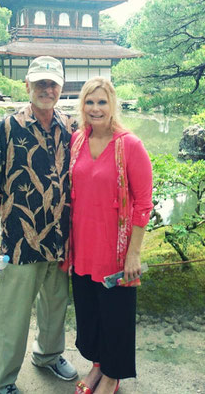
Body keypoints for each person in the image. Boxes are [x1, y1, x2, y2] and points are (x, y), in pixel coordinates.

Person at [0, 56, 78, 394]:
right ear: (27, 86)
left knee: (55, 303)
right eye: (40, 83)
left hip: (60, 236)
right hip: (20, 238)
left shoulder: (70, 126)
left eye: (52, 84)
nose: (46, 89)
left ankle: (48, 355)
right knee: (13, 314)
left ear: (61, 88)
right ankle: (1, 379)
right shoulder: (8, 127)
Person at [70, 77, 153, 394]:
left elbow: (144, 203)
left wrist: (134, 253)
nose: (95, 108)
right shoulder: (77, 141)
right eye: (89, 102)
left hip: (115, 251)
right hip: (83, 245)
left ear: (113, 104)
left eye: (102, 102)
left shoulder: (129, 145)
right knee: (90, 313)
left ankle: (112, 375)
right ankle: (96, 366)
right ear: (82, 106)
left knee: (115, 315)